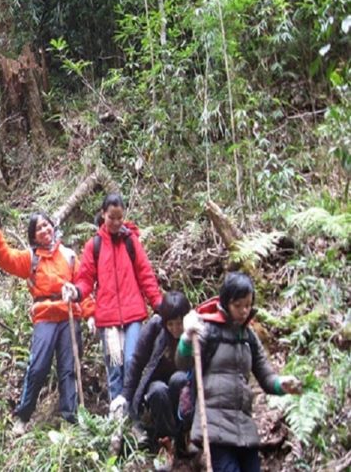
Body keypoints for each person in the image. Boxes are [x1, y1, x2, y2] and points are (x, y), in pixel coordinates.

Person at [0, 209, 94, 434]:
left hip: (69, 315)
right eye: (38, 228)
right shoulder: (31, 259)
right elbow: (6, 258)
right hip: (45, 316)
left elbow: (82, 286)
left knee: (69, 368)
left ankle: (71, 419)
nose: (44, 230)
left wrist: (91, 314)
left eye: (46, 225)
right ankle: (23, 416)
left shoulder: (69, 256)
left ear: (53, 226)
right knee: (38, 367)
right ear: (33, 235)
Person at [177, 272, 302, 472]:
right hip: (214, 424)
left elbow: (265, 376)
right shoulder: (208, 329)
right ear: (226, 303)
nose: (244, 311)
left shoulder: (249, 337)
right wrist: (186, 339)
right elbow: (183, 362)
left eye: (248, 305)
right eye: (238, 305)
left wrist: (281, 385)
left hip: (243, 425)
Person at [66, 193, 163, 409]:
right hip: (108, 317)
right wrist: (77, 293)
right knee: (115, 368)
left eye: (120, 218)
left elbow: (145, 274)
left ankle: (134, 412)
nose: (116, 222)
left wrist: (158, 303)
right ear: (103, 215)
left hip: (133, 313)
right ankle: (118, 417)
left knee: (131, 362)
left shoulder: (131, 241)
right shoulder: (95, 245)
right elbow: (85, 279)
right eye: (112, 218)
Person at [119, 291, 193, 456]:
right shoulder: (155, 328)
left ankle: (186, 434)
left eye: (179, 323)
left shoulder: (194, 332)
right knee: (158, 390)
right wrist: (126, 397)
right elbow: (137, 363)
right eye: (170, 324)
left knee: (178, 379)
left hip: (184, 387)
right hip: (157, 388)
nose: (176, 329)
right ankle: (167, 441)